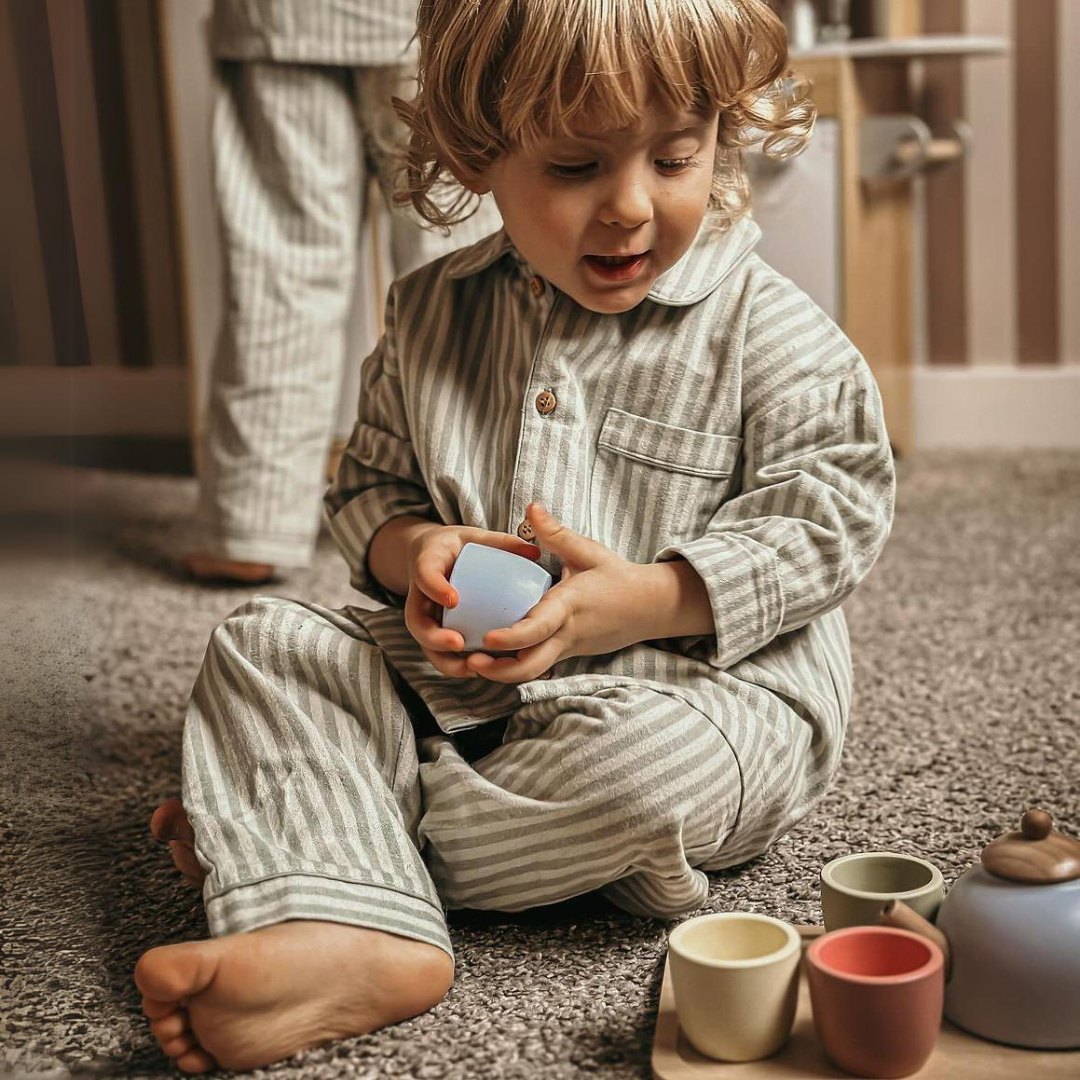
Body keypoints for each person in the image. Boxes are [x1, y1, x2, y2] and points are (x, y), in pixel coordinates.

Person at [135, 0, 896, 1071]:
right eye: (577, 166)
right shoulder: (430, 313)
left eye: (676, 157)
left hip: (705, 698)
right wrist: (414, 555)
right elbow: (367, 489)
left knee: (641, 782)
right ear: (476, 153)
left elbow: (834, 516)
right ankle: (338, 890)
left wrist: (642, 600)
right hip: (476, 683)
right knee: (263, 645)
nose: (632, 206)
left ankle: (305, 846)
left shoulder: (772, 334)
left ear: (722, 133)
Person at [186, 0, 501, 584]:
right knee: (463, 264)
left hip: (285, 19)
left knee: (282, 263)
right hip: (442, 20)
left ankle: (249, 518)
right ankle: (486, 505)